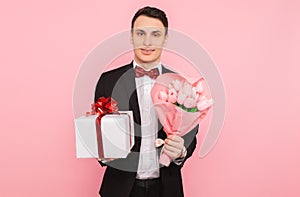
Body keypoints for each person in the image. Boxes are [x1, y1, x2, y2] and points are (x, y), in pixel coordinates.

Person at [94, 6, 199, 197]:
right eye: (140, 33)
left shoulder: (181, 84)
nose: (147, 42)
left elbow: (191, 134)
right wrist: (103, 151)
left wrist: (181, 151)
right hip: (119, 188)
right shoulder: (107, 81)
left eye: (156, 34)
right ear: (131, 37)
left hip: (167, 187)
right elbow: (99, 130)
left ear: (165, 38)